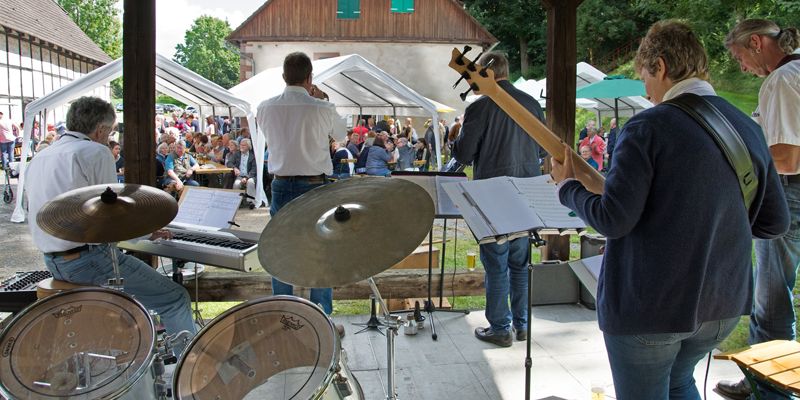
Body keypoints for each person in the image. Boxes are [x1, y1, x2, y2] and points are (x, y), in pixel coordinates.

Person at [550, 21, 789, 399]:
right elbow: (774, 222)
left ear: (659, 67)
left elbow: (612, 218)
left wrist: (568, 188)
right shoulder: (747, 127)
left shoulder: (647, 127)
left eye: (644, 76)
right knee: (679, 383)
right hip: (721, 305)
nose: (646, 89)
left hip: (651, 308)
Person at [24, 97, 196, 344]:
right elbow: (111, 211)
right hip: (89, 259)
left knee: (139, 299)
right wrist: (146, 232)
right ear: (100, 130)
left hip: (53, 260)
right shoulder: (94, 151)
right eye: (111, 131)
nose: (110, 137)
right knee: (174, 298)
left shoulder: (41, 156)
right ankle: (190, 374)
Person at [716, 19, 800, 400]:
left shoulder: (782, 80)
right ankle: (760, 379)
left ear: (755, 43)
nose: (742, 68)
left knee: (771, 300)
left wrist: (737, 160)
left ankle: (768, 389)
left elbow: (785, 156)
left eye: (739, 58)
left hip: (790, 194)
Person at [451, 52, 545, 347]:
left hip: (493, 197)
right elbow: (541, 150)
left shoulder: (481, 107)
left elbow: (464, 154)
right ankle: (523, 324)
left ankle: (500, 328)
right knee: (519, 263)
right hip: (526, 195)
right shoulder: (531, 103)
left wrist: (454, 139)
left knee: (496, 264)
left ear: (485, 73)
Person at [257, 52, 346, 316]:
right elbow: (340, 135)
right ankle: (321, 317)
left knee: (280, 249)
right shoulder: (323, 108)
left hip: (281, 185)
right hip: (314, 185)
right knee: (320, 250)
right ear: (310, 78)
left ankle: (283, 315)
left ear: (284, 77)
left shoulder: (265, 107)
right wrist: (322, 99)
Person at [226, 138, 257, 208]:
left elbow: (254, 170)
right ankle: (236, 202)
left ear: (249, 147)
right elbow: (229, 162)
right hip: (240, 176)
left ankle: (251, 202)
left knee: (250, 182)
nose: (241, 147)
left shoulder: (252, 156)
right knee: (236, 184)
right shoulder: (237, 154)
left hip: (250, 176)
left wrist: (246, 178)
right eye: (241, 145)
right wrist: (235, 168)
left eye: (244, 145)